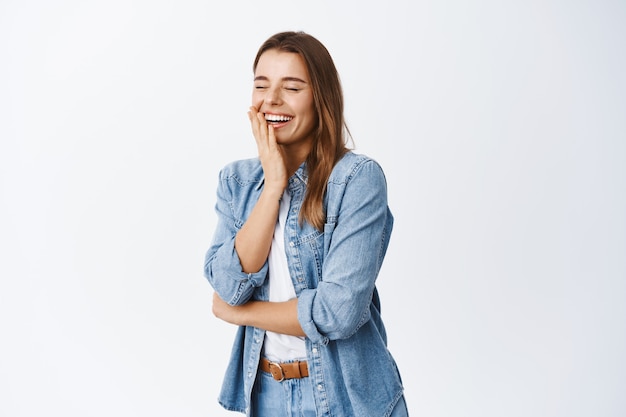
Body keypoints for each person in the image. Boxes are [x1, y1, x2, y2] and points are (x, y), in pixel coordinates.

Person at [204, 31, 408, 417]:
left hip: (347, 396)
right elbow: (228, 285)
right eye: (261, 85)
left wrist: (242, 314)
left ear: (321, 99)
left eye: (292, 87)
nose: (272, 100)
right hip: (266, 395)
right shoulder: (237, 183)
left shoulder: (356, 179)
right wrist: (273, 188)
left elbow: (338, 312)